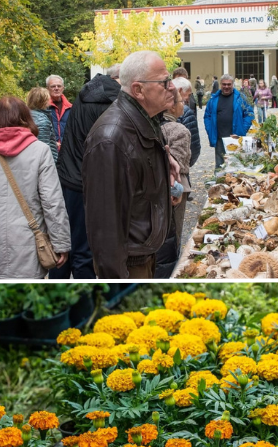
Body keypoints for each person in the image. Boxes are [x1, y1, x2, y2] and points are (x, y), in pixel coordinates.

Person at [81, 51, 177, 279]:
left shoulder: (144, 119)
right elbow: (105, 234)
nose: (172, 87)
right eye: (164, 81)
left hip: (144, 256)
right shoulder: (111, 139)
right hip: (128, 267)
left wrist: (166, 176)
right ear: (138, 90)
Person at [0, 96, 71, 279]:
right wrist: (60, 243)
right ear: (25, 117)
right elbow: (52, 202)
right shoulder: (40, 151)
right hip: (29, 242)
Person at [51, 65, 120, 280]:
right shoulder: (113, 102)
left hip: (68, 176)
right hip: (91, 181)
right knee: (85, 249)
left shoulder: (83, 96)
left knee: (64, 241)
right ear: (118, 79)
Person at [154, 78, 195, 278]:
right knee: (173, 236)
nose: (184, 106)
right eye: (181, 103)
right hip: (175, 192)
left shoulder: (154, 127)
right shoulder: (179, 131)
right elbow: (175, 170)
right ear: (171, 107)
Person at [203, 74, 254, 173]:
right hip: (219, 137)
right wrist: (210, 130)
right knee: (220, 165)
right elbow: (207, 116)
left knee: (236, 164)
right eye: (224, 84)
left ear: (233, 85)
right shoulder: (214, 99)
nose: (226, 87)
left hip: (235, 137)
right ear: (221, 85)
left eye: (229, 84)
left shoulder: (240, 98)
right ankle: (219, 185)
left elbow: (249, 114)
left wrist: (242, 130)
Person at [26, 87, 58, 162]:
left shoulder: (26, 116)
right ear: (43, 101)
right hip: (44, 164)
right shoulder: (42, 120)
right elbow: (43, 148)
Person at [176, 77, 201, 168]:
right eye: (188, 94)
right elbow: (193, 146)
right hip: (182, 165)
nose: (188, 99)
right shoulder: (185, 111)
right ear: (180, 91)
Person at [45, 75, 71, 151]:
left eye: (59, 86)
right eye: (53, 86)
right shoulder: (43, 108)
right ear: (47, 89)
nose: (56, 88)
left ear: (63, 88)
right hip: (49, 151)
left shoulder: (71, 108)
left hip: (66, 151)